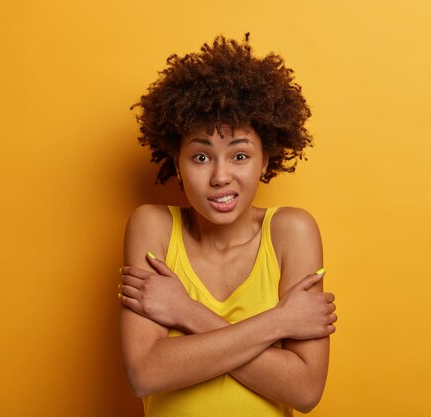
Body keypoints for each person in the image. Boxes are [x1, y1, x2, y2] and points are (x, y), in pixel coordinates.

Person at [118, 34, 337, 417]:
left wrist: (185, 312)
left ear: (266, 161)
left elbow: (304, 391)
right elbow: (145, 373)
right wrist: (280, 321)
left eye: (239, 155)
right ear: (177, 162)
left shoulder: (291, 232)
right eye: (201, 157)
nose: (221, 177)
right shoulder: (152, 226)